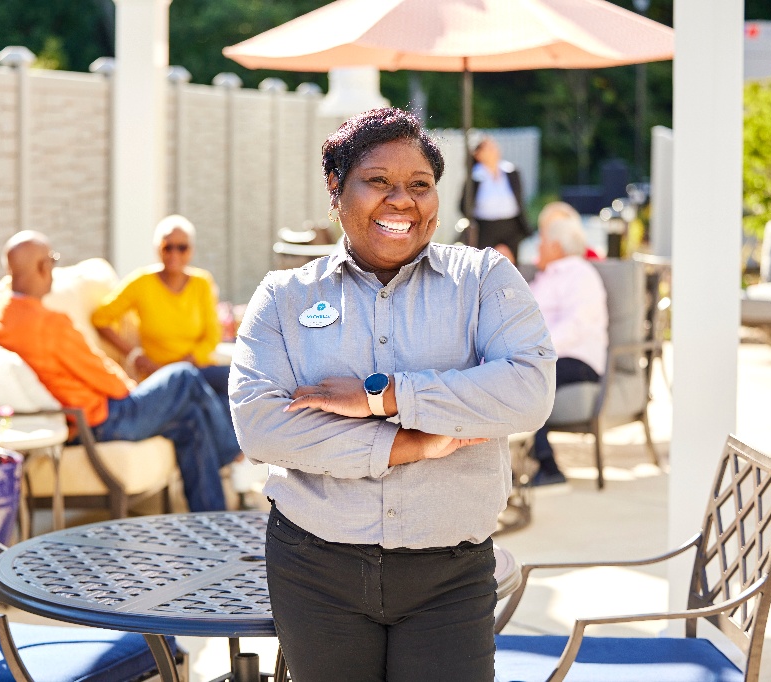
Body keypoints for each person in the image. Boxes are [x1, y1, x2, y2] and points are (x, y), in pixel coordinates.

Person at [229, 108, 555, 681]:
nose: (402, 200)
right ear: (336, 188)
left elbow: (528, 392)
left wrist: (385, 396)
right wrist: (414, 444)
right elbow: (262, 427)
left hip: (451, 575)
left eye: (419, 185)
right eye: (378, 181)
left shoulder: (484, 282)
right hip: (314, 568)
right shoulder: (283, 295)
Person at [0, 230, 242, 512]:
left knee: (192, 419)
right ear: (43, 267)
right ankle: (232, 448)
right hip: (103, 419)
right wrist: (132, 389)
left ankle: (211, 519)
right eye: (53, 260)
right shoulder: (49, 324)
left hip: (84, 420)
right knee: (184, 377)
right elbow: (99, 372)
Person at [91, 215, 230, 402]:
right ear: (158, 249)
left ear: (191, 250)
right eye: (168, 247)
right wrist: (135, 355)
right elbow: (100, 318)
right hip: (159, 376)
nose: (174, 254)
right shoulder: (141, 282)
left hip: (197, 369)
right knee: (208, 403)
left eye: (182, 247)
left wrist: (186, 363)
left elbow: (213, 335)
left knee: (235, 381)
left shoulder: (202, 282)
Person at [527, 208, 608, 486]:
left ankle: (548, 466)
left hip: (577, 360)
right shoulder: (547, 275)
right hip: (548, 357)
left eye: (542, 242)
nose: (537, 247)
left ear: (556, 246)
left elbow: (577, 327)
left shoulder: (580, 274)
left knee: (526, 380)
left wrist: (536, 353)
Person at [460, 136, 531, 261]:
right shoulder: (474, 177)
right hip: (486, 229)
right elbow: (463, 205)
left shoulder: (511, 172)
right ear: (478, 154)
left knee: (511, 267)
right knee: (487, 266)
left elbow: (519, 200)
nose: (494, 150)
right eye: (489, 148)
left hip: (510, 227)